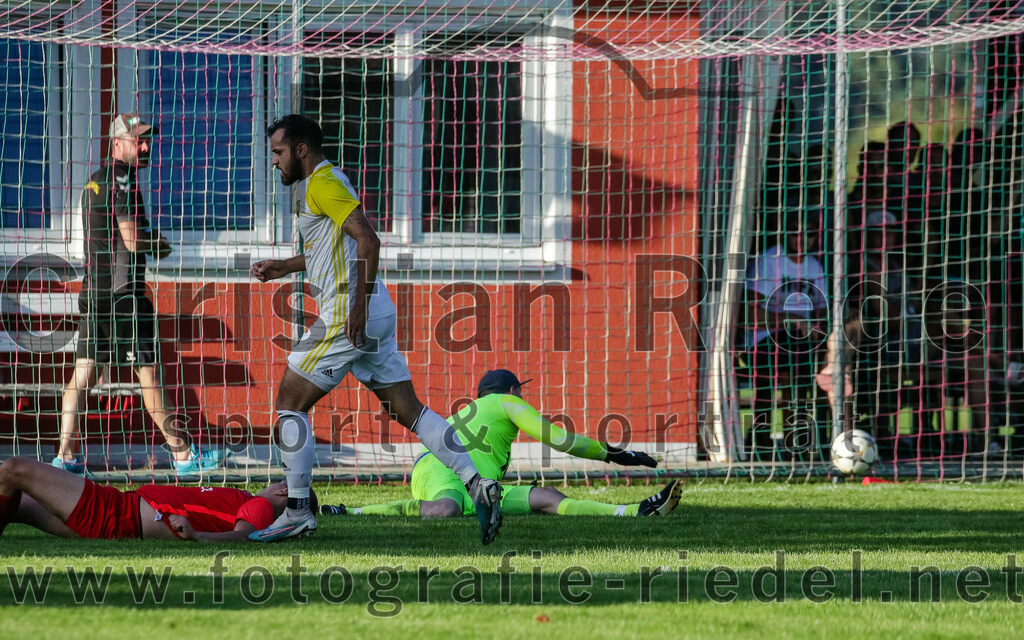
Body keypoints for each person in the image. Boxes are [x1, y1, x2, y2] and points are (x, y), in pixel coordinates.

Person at [249, 115, 502, 543]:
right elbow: (332, 250)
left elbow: (369, 241)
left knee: (289, 402)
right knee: (410, 410)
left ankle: (296, 512)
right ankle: (479, 483)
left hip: (350, 311)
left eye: (278, 152)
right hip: (373, 309)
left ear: (301, 150)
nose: (275, 162)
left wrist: (358, 308)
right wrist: (284, 267)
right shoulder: (330, 180)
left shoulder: (320, 185)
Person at [58, 113, 221, 476]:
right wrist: (159, 245)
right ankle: (183, 457)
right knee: (150, 377)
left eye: (147, 140)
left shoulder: (93, 184)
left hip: (95, 294)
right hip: (126, 297)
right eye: (138, 141)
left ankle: (64, 458)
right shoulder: (124, 181)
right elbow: (132, 240)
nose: (146, 146)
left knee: (82, 375)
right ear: (117, 144)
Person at [320, 370, 679, 519]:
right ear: (512, 392)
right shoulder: (507, 403)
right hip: (442, 470)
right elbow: (559, 438)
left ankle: (633, 511)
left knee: (547, 497)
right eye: (520, 393)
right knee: (446, 508)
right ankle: (350, 512)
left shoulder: (472, 409)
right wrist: (616, 454)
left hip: (483, 487)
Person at [0, 456, 303, 541]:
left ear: (284, 491)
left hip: (117, 512)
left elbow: (244, 536)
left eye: (279, 481)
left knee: (14, 470)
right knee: (17, 504)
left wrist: (196, 535)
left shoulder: (263, 505)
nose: (273, 483)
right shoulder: (245, 499)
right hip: (120, 511)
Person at [740, 211, 829, 460]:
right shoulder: (769, 261)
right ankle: (765, 438)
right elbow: (750, 315)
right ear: (785, 233)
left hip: (803, 341)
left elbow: (821, 311)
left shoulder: (814, 265)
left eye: (809, 233)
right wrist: (791, 320)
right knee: (792, 361)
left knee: (825, 360)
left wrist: (818, 330)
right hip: (764, 338)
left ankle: (807, 439)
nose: (802, 239)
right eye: (796, 232)